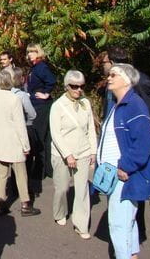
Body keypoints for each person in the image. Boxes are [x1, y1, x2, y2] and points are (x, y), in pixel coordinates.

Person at [97, 63, 150, 259]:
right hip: (113, 173)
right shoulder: (117, 105)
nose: (109, 78)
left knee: (119, 224)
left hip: (124, 175)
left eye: (114, 75)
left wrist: (126, 166)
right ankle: (131, 255)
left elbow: (143, 143)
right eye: (109, 74)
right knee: (127, 221)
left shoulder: (134, 105)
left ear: (127, 80)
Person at [0, 69, 39, 217]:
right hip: (13, 141)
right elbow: (20, 124)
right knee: (21, 173)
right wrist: (26, 145)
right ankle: (25, 204)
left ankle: (1, 203)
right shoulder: (14, 98)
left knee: (1, 173)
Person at [50, 70, 97, 239]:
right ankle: (59, 213)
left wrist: (93, 151)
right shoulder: (57, 106)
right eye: (74, 86)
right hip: (62, 154)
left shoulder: (85, 103)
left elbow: (90, 128)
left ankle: (81, 225)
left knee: (82, 190)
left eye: (81, 86)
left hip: (83, 151)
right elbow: (56, 134)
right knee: (62, 188)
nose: (78, 90)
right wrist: (67, 154)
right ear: (66, 86)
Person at [26, 43, 57, 181]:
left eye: (33, 52)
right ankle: (46, 169)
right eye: (28, 52)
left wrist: (46, 93)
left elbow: (51, 80)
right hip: (36, 104)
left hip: (41, 106)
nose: (30, 54)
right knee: (43, 138)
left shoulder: (41, 67)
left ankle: (41, 170)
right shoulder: (34, 67)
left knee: (40, 138)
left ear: (38, 53)